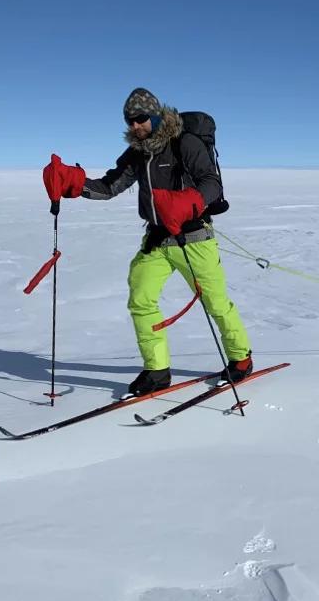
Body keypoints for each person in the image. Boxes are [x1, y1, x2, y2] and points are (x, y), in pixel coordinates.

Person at [44, 88, 252, 396]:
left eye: (140, 119)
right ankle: (157, 370)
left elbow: (212, 183)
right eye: (130, 120)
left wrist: (189, 202)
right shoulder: (138, 152)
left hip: (193, 238)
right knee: (141, 299)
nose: (135, 126)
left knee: (216, 303)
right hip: (156, 240)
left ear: (155, 116)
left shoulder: (185, 143)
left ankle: (240, 360)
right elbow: (110, 186)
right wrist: (74, 184)